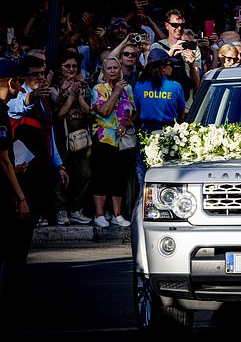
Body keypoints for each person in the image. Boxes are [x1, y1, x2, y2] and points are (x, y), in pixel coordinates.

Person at [8, 55, 69, 228]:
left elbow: (49, 132)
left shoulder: (44, 98)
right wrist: (32, 96)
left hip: (42, 166)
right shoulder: (16, 96)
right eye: (35, 75)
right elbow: (19, 106)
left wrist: (59, 164)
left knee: (34, 215)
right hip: (22, 169)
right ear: (23, 77)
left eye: (42, 73)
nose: (40, 78)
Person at [0, 59, 31, 329]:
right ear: (10, 83)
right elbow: (2, 160)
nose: (20, 88)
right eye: (18, 83)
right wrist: (21, 197)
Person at [90, 57, 135, 228]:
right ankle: (99, 214)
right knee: (102, 176)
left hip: (121, 139)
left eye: (116, 67)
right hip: (103, 137)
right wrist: (115, 91)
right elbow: (104, 110)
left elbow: (133, 112)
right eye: (109, 68)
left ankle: (118, 214)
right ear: (104, 71)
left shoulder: (128, 88)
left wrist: (125, 124)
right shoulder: (98, 88)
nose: (113, 71)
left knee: (119, 177)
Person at [49, 50, 93, 225]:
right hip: (62, 135)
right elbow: (58, 113)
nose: (71, 69)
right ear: (60, 67)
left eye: (74, 66)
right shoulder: (53, 85)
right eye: (67, 66)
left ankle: (76, 208)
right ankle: (60, 210)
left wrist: (79, 95)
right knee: (62, 174)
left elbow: (88, 111)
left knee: (84, 173)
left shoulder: (83, 85)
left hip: (81, 134)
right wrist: (68, 95)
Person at [133, 48, 186, 189]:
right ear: (162, 66)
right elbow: (181, 113)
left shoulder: (139, 86)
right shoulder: (175, 87)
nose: (172, 68)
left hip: (145, 131)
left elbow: (137, 111)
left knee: (144, 175)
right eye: (170, 65)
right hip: (168, 132)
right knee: (167, 174)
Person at [150, 9, 201, 109]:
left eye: (182, 25)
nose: (179, 28)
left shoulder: (193, 48)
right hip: (164, 104)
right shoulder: (157, 47)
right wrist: (169, 55)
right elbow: (152, 77)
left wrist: (191, 65)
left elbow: (196, 84)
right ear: (167, 25)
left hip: (186, 105)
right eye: (175, 25)